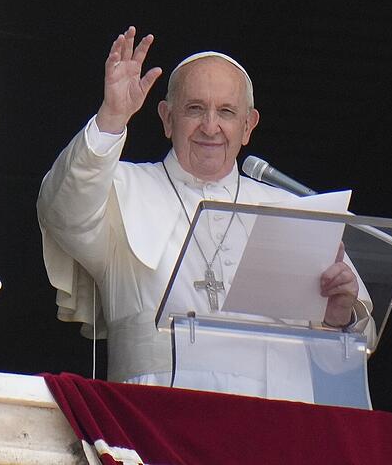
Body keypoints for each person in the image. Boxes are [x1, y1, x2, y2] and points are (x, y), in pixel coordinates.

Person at [37, 26, 372, 400]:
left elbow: (343, 355)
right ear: (166, 118)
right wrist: (111, 117)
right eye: (195, 109)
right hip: (153, 410)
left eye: (226, 112)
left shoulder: (291, 210)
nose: (210, 126)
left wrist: (339, 316)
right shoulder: (119, 188)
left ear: (248, 126)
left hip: (277, 417)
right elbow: (63, 210)